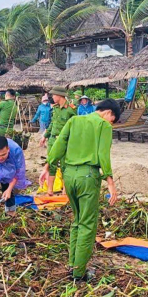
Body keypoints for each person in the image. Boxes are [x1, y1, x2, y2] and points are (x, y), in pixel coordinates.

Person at [45, 99, 121, 281]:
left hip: (69, 177)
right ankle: (79, 273)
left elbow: (59, 144)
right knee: (87, 225)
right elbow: (103, 154)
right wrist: (110, 181)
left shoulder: (74, 120)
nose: (111, 124)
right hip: (87, 177)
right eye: (113, 120)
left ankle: (72, 265)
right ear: (109, 113)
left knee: (77, 221)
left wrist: (48, 166)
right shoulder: (104, 125)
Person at [39, 87, 76, 195]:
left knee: (65, 165)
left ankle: (65, 191)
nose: (52, 97)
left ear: (59, 96)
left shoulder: (71, 109)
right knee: (51, 164)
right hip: (53, 140)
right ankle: (50, 190)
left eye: (54, 95)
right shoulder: (55, 108)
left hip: (65, 141)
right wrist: (45, 136)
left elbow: (75, 126)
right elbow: (52, 124)